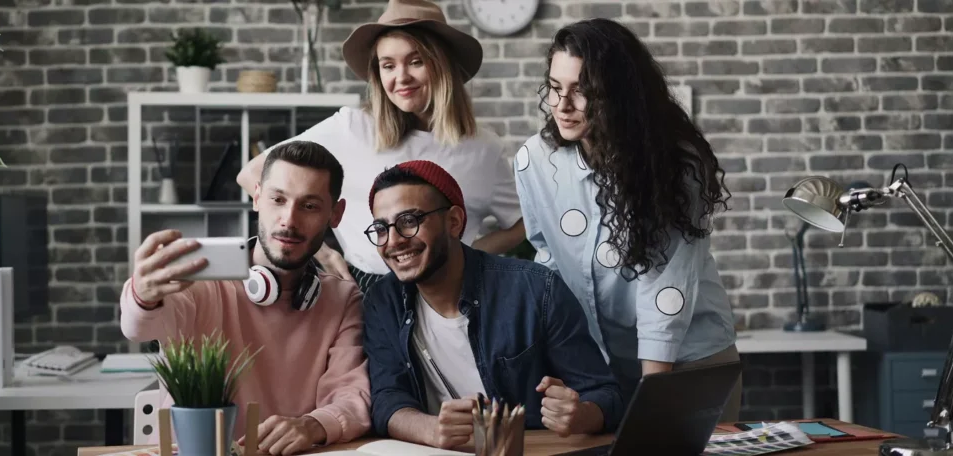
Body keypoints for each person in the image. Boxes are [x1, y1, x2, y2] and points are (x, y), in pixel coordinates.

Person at [512, 18, 741, 421]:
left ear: (617, 95)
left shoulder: (676, 166)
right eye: (555, 87)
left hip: (688, 365)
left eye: (582, 92)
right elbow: (547, 259)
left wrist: (649, 404)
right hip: (601, 370)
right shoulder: (534, 160)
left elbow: (664, 290)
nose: (562, 105)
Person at [236, 0, 524, 294]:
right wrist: (321, 252)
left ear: (442, 64)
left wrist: (471, 253)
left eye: (415, 61)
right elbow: (252, 173)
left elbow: (521, 223)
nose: (401, 77)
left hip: (452, 291)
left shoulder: (484, 148)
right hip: (366, 290)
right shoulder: (352, 127)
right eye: (388, 65)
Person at [121, 141, 371, 454]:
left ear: (335, 214)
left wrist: (314, 425)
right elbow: (139, 329)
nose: (288, 220)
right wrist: (142, 295)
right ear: (257, 198)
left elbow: (351, 395)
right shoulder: (199, 282)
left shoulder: (343, 298)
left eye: (309, 206)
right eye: (277, 199)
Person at [362, 160, 624, 450]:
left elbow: (605, 395)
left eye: (409, 221)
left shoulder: (536, 290)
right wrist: (431, 429)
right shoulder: (382, 301)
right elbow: (388, 398)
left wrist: (580, 415)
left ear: (454, 221)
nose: (394, 241)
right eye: (381, 228)